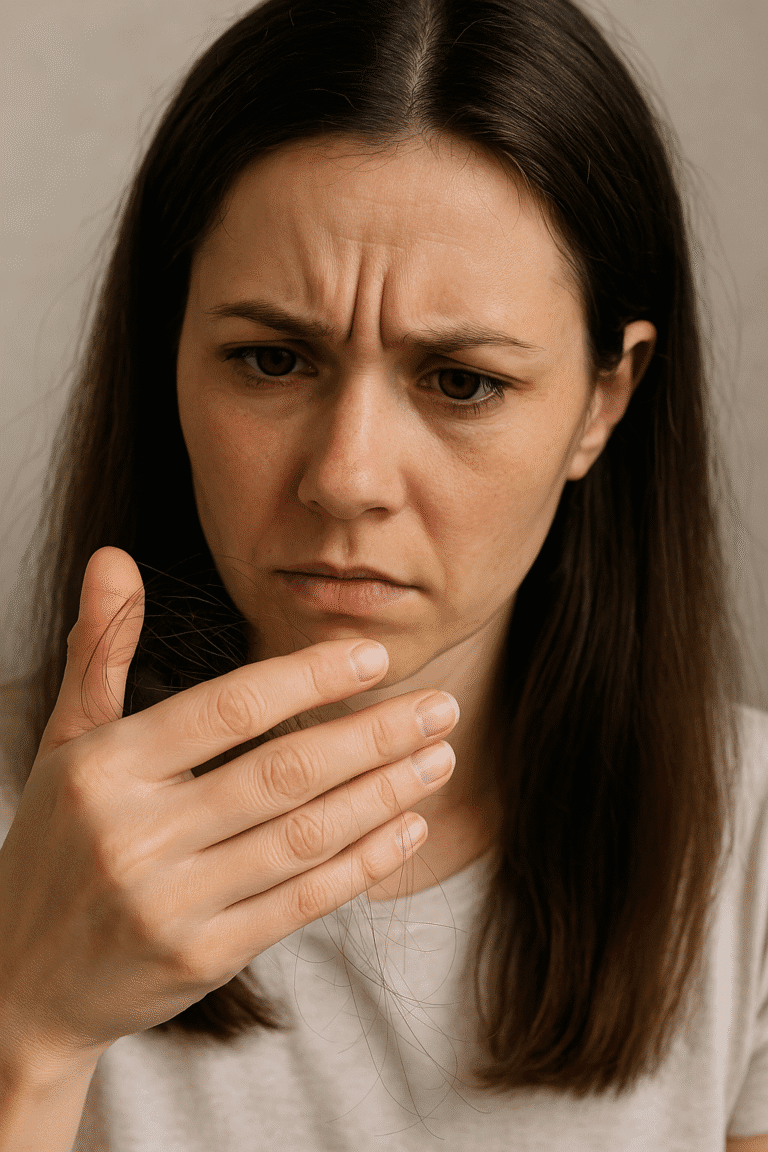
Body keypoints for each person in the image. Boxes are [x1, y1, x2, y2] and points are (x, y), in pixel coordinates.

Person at [0, 0, 766, 1148]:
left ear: (604, 399)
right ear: (171, 356)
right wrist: (30, 1025)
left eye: (461, 381)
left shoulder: (751, 844)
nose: (347, 477)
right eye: (272, 358)